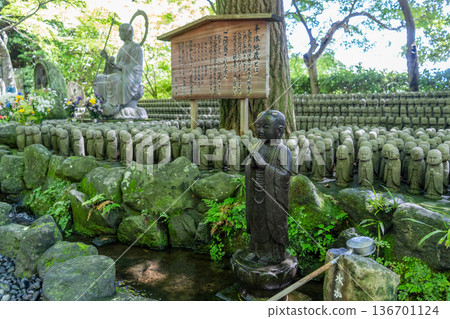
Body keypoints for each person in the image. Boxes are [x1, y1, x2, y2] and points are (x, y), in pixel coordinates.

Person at [245, 110, 292, 264]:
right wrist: (251, 165)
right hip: (257, 192)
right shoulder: (259, 146)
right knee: (257, 220)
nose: (260, 131)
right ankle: (256, 250)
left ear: (279, 130)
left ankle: (271, 253)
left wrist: (266, 167)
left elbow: (285, 175)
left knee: (269, 222)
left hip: (272, 196)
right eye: (258, 127)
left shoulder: (283, 150)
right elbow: (248, 167)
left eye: (265, 127)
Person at [95, 23, 144, 117]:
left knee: (113, 79)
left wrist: (120, 67)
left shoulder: (136, 47)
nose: (119, 34)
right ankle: (101, 102)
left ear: (129, 32)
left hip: (129, 76)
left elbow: (137, 67)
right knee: (99, 78)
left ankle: (113, 105)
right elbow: (116, 66)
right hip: (120, 74)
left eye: (121, 32)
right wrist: (107, 59)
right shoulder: (122, 48)